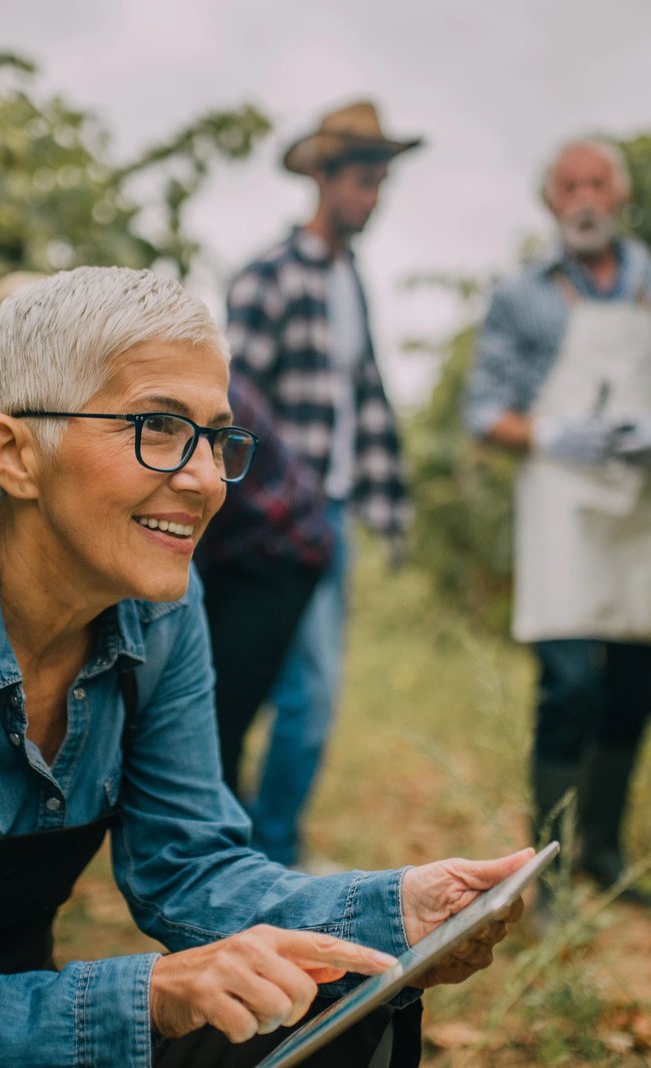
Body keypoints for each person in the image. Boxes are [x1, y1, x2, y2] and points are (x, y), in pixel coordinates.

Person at [0, 267, 533, 1067]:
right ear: (15, 454)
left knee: (335, 997)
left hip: (3, 1037)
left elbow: (187, 867)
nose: (205, 479)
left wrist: (399, 911)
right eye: (159, 428)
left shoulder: (163, 614)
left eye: (215, 438)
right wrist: (152, 995)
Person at [462, 139, 651, 897]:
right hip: (563, 507)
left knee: (637, 681)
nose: (583, 198)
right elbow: (485, 410)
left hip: (639, 506)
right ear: (550, 202)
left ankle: (604, 853)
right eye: (568, 185)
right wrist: (548, 433)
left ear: (620, 196)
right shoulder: (523, 296)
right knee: (569, 683)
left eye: (597, 184)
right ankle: (546, 868)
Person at [225, 100, 419, 867]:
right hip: (276, 522)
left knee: (305, 694)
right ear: (325, 178)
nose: (371, 199)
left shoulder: (351, 284)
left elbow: (363, 399)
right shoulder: (268, 277)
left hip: (332, 514)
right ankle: (264, 854)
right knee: (294, 692)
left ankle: (261, 845)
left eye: (380, 185)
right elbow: (235, 401)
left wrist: (387, 502)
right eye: (363, 183)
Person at [196, 369, 336, 796]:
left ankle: (223, 848)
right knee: (210, 713)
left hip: (280, 549)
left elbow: (200, 506)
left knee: (218, 718)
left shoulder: (203, 387)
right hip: (234, 546)